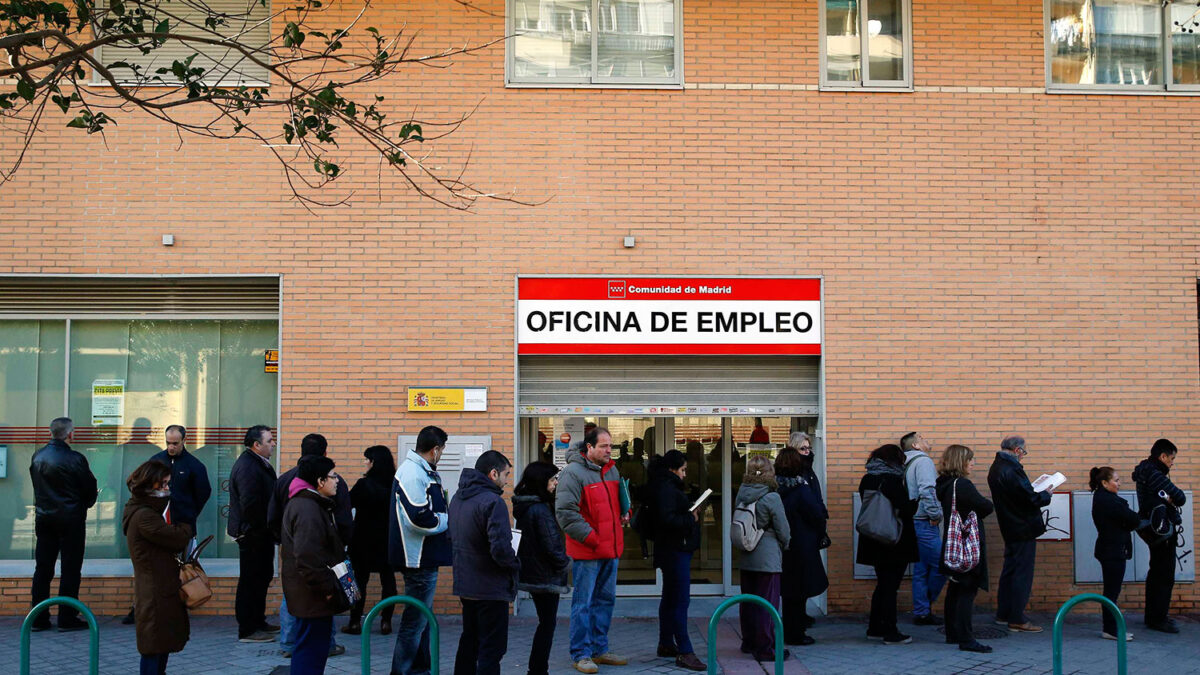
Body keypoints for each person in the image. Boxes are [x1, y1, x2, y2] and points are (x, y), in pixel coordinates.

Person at [555, 426, 630, 674]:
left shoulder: (612, 470)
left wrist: (625, 513)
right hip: (588, 550)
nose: (609, 450)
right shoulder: (572, 474)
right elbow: (566, 514)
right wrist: (593, 538)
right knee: (583, 604)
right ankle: (581, 654)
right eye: (604, 446)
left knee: (605, 601)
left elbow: (616, 502)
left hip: (611, 548)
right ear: (589, 448)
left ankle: (600, 649)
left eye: (611, 446)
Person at [269, 433, 350, 658]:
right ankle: (325, 644)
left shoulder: (285, 479)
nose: (334, 480)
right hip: (318, 556)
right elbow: (344, 520)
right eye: (331, 476)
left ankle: (288, 642)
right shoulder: (311, 501)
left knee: (292, 595)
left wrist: (283, 539)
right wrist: (340, 545)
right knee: (321, 599)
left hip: (292, 551)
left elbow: (272, 517)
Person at [449, 451, 521, 675]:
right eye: (506, 474)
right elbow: (500, 548)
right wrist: (515, 563)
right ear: (493, 473)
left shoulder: (458, 497)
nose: (507, 480)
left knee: (469, 641)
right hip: (490, 587)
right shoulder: (493, 502)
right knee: (491, 649)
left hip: (466, 583)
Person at [389, 425, 452, 675]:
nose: (443, 454)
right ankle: (402, 671)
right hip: (417, 559)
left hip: (424, 557)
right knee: (414, 622)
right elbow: (419, 518)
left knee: (421, 620)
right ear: (435, 449)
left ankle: (419, 668)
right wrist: (447, 520)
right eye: (443, 449)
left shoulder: (422, 471)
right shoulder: (413, 473)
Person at [122, 460, 195, 674]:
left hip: (161, 589)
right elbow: (178, 538)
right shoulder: (145, 516)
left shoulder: (147, 511)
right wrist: (184, 526)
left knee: (161, 645)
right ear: (149, 484)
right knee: (153, 648)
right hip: (155, 592)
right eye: (163, 485)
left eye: (168, 484)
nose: (167, 489)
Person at [29, 416, 98, 632]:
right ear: (70, 434)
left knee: (43, 568)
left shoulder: (38, 456)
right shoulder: (75, 459)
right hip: (71, 520)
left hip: (45, 518)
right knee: (70, 569)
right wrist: (84, 504)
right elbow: (89, 488)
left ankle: (38, 618)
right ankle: (67, 618)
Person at [646, 450, 705, 671]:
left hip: (670, 549)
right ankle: (685, 650)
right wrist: (691, 516)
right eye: (683, 470)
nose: (684, 475)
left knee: (670, 597)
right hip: (675, 549)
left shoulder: (663, 486)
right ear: (673, 469)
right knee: (680, 599)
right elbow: (668, 519)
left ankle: (666, 643)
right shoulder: (667, 489)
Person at [987, 435, 1052, 633]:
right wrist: (1045, 494)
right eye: (1023, 452)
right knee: (1022, 573)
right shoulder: (1012, 469)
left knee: (1010, 570)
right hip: (1023, 527)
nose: (1023, 456)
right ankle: (1016, 618)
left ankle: (1004, 613)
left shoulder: (996, 467)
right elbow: (1029, 498)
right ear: (1016, 450)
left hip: (1010, 525)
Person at [513, 461, 571, 675]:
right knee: (547, 625)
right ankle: (538, 669)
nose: (555, 483)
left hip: (533, 571)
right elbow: (552, 544)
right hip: (545, 575)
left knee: (545, 623)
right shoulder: (540, 509)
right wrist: (564, 564)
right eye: (552, 479)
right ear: (541, 481)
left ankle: (537, 668)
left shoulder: (526, 507)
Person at [935, 445, 994, 653]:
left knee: (954, 589)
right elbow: (986, 506)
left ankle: (953, 633)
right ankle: (967, 639)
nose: (973, 464)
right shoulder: (963, 485)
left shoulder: (944, 484)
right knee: (967, 591)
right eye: (970, 460)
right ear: (961, 462)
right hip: (966, 547)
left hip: (952, 546)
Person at [857, 443, 917, 645]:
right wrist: (915, 503)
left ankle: (874, 627)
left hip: (873, 537)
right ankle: (890, 631)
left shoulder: (868, 478)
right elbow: (905, 510)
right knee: (890, 587)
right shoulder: (892, 480)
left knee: (882, 584)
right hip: (893, 540)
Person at [736, 454, 792, 662]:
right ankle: (766, 648)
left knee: (748, 602)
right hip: (767, 556)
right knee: (767, 603)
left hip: (746, 553)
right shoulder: (772, 497)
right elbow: (783, 528)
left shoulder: (742, 493)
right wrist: (786, 544)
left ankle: (749, 642)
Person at [228, 424, 280, 642]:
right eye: (269, 441)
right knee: (251, 579)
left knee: (261, 577)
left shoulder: (258, 463)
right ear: (256, 445)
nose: (273, 444)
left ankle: (258, 621)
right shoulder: (249, 466)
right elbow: (250, 504)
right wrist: (261, 528)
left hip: (260, 532)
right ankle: (248, 629)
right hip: (253, 533)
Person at [775, 433, 828, 646]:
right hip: (802, 542)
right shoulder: (800, 489)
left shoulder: (778, 487)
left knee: (791, 590)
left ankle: (792, 628)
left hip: (788, 543)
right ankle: (795, 632)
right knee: (799, 589)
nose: (809, 452)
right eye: (803, 449)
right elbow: (816, 513)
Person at [1132, 438, 1186, 634]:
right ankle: (1159, 618)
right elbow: (1180, 497)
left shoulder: (1144, 471)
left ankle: (1153, 616)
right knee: (1164, 575)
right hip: (1163, 531)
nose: (1172, 463)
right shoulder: (1155, 474)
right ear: (1162, 456)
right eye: (1171, 458)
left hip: (1153, 531)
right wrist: (1172, 499)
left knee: (1156, 573)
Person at [345, 445, 399, 636]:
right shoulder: (395, 485)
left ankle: (354, 621)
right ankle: (386, 621)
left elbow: (348, 504)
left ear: (374, 462)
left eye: (367, 459)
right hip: (387, 540)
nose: (365, 462)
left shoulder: (364, 485)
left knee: (358, 581)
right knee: (388, 580)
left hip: (362, 539)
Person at [1090, 465, 1140, 641]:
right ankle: (1110, 630)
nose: (1120, 483)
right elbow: (1132, 518)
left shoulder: (1104, 498)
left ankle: (1110, 628)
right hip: (1112, 551)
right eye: (1116, 480)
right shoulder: (1109, 501)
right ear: (1104, 482)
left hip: (1110, 549)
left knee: (1112, 590)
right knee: (1112, 591)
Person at [900, 431, 944, 626]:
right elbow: (927, 490)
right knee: (942, 565)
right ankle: (925, 605)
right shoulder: (923, 461)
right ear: (916, 445)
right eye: (923, 439)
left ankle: (922, 612)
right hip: (925, 521)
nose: (928, 441)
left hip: (910, 520)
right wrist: (935, 514)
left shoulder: (903, 463)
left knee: (921, 569)